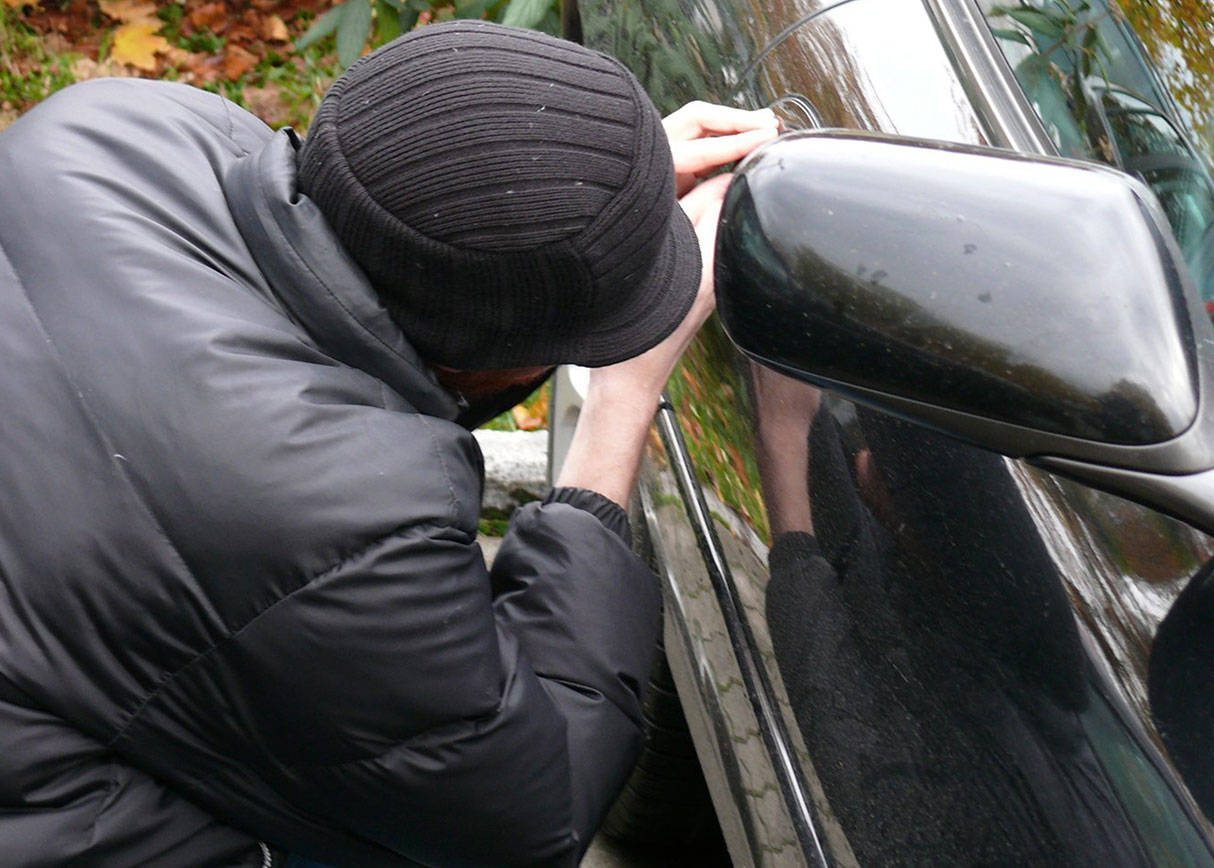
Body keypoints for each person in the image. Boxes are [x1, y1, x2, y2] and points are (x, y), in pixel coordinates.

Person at [0, 20, 777, 867]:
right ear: (491, 358)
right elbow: (524, 820)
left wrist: (596, 196)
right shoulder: (344, 527)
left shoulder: (119, 125)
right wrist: (621, 399)